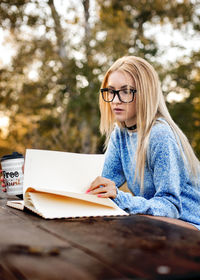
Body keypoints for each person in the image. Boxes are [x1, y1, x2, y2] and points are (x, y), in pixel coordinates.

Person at [86, 55, 200, 231]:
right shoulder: (121, 134)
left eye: (125, 91)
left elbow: (170, 206)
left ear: (145, 93)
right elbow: (103, 184)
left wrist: (120, 197)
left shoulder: (159, 134)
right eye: (111, 91)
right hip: (157, 223)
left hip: (189, 226)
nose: (115, 100)